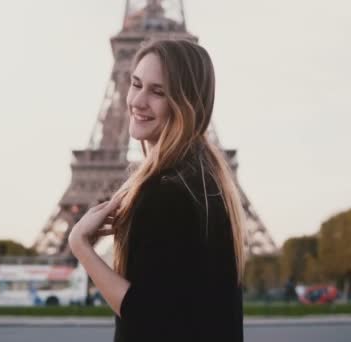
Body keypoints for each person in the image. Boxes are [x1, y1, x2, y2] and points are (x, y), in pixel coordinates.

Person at [68, 39, 246, 342]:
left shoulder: (168, 192)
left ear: (186, 103)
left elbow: (146, 316)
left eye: (158, 92)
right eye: (136, 84)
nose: (138, 100)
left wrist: (80, 245)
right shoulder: (202, 179)